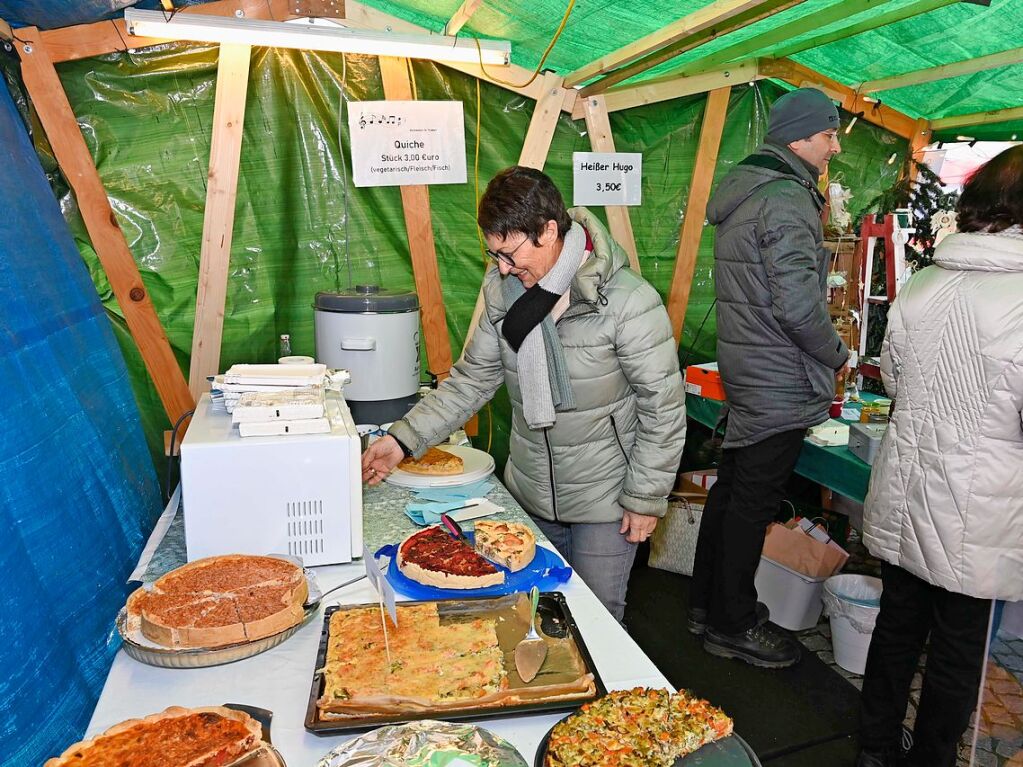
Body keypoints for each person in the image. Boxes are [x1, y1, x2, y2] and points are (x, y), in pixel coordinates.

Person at [361, 166, 686, 622]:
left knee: (595, 619)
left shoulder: (627, 302)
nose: (503, 268)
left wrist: (646, 497)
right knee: (529, 612)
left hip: (606, 497)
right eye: (494, 255)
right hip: (530, 489)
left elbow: (663, 409)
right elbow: (473, 379)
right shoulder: (504, 291)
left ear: (549, 231)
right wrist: (401, 440)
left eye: (510, 254)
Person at [856, 145, 1023, 767]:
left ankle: (874, 750)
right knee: (957, 653)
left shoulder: (925, 282)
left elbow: (894, 381)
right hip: (979, 511)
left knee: (897, 630)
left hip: (907, 488)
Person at [688, 88, 849, 668]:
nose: (834, 147)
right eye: (829, 135)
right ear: (801, 138)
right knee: (750, 503)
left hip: (749, 365)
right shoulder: (785, 199)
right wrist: (836, 356)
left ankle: (708, 605)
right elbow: (798, 306)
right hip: (778, 374)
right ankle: (734, 622)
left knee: (731, 493)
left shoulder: (749, 188)